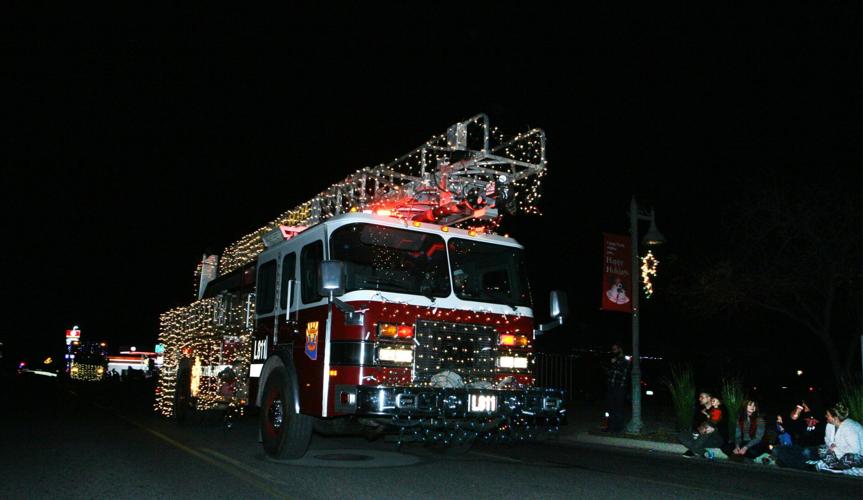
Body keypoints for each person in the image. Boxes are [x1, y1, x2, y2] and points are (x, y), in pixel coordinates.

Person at [773, 400, 825, 469]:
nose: (804, 408)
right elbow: (791, 429)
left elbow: (818, 438)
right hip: (799, 446)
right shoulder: (801, 418)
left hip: (813, 447)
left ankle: (800, 465)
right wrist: (782, 426)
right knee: (777, 450)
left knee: (806, 452)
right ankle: (798, 465)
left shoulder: (821, 418)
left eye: (805, 405)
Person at [813, 402, 863, 473]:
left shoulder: (850, 427)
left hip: (858, 456)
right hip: (840, 454)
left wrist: (836, 448)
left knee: (849, 458)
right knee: (822, 449)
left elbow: (855, 450)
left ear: (835, 418)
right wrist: (831, 446)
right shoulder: (829, 425)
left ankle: (836, 467)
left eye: (828, 415)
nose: (826, 416)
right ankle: (836, 467)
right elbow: (827, 440)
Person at [604, 343, 628, 432]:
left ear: (619, 349)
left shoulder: (624, 360)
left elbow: (623, 373)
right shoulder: (613, 360)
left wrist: (616, 363)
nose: (613, 351)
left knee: (618, 408)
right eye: (612, 349)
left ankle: (618, 428)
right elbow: (611, 373)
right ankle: (610, 427)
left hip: (619, 387)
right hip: (611, 386)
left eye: (615, 349)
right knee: (610, 407)